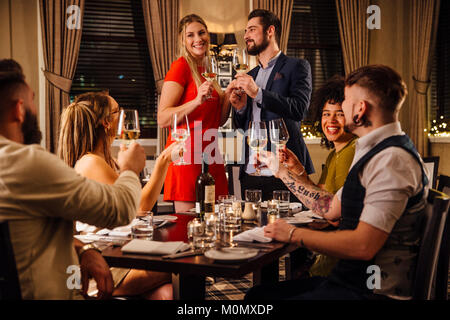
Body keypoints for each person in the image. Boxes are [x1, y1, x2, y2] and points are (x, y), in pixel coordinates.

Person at [251, 64, 430, 300]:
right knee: (258, 296)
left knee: (259, 301)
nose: (341, 108)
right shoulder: (374, 152)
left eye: (345, 101)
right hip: (349, 282)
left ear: (360, 109)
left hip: (371, 293)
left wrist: (293, 234)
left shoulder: (391, 160)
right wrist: (282, 171)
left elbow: (363, 246)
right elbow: (332, 208)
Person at [0, 64, 146, 299]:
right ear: (19, 109)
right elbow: (120, 210)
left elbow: (26, 232)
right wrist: (130, 169)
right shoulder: (27, 163)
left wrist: (84, 248)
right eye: (32, 101)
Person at [58, 91, 182, 299]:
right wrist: (161, 162)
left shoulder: (107, 161)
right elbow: (135, 206)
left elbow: (142, 207)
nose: (123, 115)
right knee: (180, 266)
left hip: (120, 254)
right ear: (107, 122)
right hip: (104, 264)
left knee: (167, 293)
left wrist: (164, 162)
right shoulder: (90, 162)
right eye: (118, 111)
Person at [228, 9, 314, 201]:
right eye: (246, 31)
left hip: (284, 170)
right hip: (251, 171)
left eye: (251, 29)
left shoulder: (297, 66)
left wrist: (257, 93)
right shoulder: (250, 74)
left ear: (270, 31)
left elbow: (299, 109)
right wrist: (240, 108)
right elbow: (242, 127)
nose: (246, 36)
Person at [282, 75, 357, 278]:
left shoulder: (351, 152)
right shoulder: (336, 152)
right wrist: (298, 170)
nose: (330, 121)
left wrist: (282, 174)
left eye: (339, 114)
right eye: (326, 114)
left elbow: (336, 215)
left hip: (337, 268)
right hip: (328, 260)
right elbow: (320, 196)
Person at [157, 14, 229, 213]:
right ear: (183, 40)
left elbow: (218, 121)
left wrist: (228, 97)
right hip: (187, 158)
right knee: (187, 230)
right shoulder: (180, 66)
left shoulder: (208, 70)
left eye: (202, 33)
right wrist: (196, 101)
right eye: (190, 35)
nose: (198, 39)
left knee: (215, 228)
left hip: (211, 155)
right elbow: (163, 118)